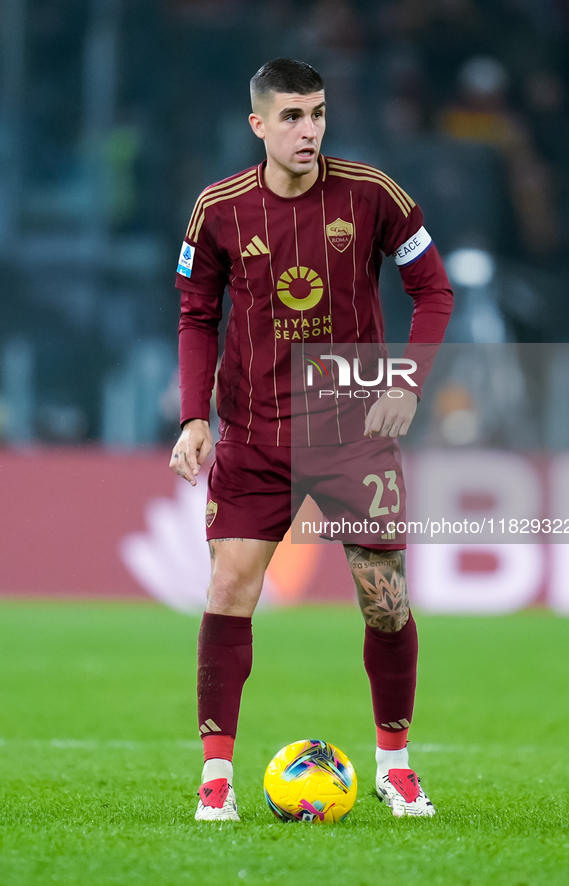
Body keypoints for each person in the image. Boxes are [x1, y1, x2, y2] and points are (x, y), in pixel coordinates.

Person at [170, 58, 453, 822]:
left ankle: (394, 767)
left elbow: (433, 290)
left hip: (352, 436)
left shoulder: (371, 194)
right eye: (292, 117)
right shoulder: (218, 208)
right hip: (255, 436)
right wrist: (194, 416)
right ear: (258, 124)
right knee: (229, 589)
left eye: (318, 113)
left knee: (384, 602)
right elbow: (197, 314)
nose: (309, 130)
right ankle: (216, 779)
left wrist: (404, 383)